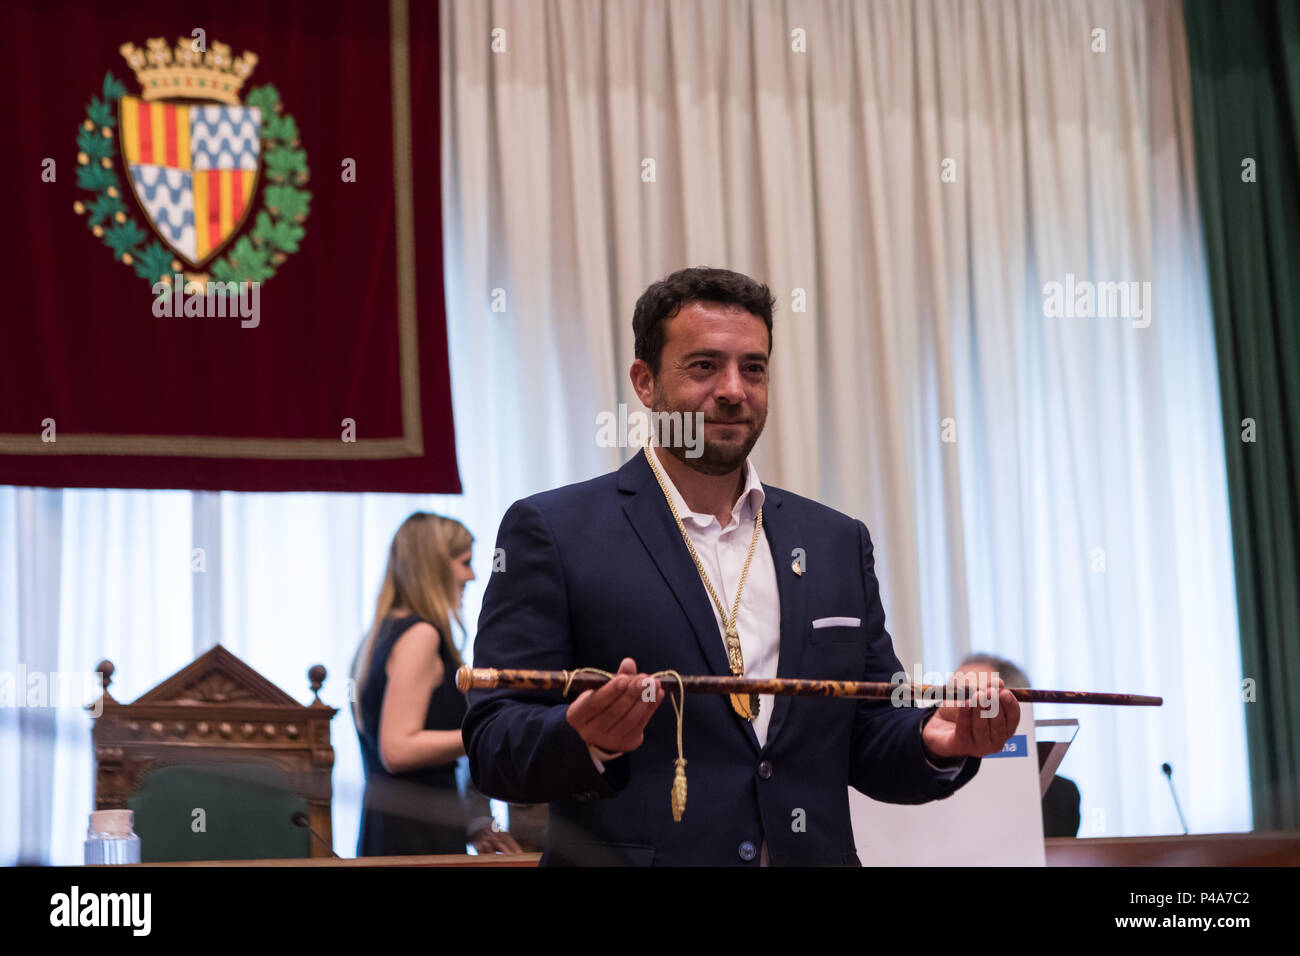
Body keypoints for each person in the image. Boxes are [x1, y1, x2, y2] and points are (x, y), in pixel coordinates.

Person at [463, 266, 1020, 865]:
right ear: (645, 382)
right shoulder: (554, 531)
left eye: (753, 368)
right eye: (704, 366)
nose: (733, 389)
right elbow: (494, 741)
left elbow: (868, 732)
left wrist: (937, 742)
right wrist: (583, 740)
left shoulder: (835, 540)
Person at [352, 512, 520, 856]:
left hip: (390, 826)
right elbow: (397, 749)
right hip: (416, 835)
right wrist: (485, 733)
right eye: (464, 563)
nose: (472, 576)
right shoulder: (421, 636)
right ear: (433, 566)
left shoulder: (378, 635)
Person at [957, 653, 1083, 838]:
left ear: (1014, 710)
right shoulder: (926, 786)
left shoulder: (1060, 795)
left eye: (970, 699)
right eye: (952, 696)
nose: (954, 708)